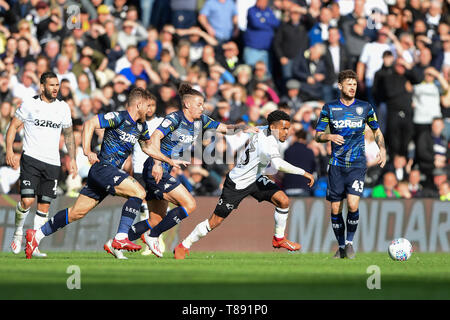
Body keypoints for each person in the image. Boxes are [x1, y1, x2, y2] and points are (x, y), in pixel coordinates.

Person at [24, 88, 187, 259]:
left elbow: (148, 147)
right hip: (104, 168)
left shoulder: (141, 125)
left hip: (108, 173)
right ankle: (120, 237)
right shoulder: (119, 117)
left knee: (76, 212)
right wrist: (87, 150)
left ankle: (36, 235)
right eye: (147, 105)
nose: (149, 110)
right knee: (139, 192)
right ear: (138, 104)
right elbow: (90, 124)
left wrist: (168, 160)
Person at [125, 83, 259, 258]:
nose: (202, 108)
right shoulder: (174, 118)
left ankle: (119, 240)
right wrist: (158, 164)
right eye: (199, 104)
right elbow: (155, 137)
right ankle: (153, 235)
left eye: (202, 104)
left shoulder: (201, 120)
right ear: (187, 104)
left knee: (155, 219)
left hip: (164, 169)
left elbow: (225, 129)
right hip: (155, 168)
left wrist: (243, 128)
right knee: (189, 204)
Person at [173, 110, 315, 259]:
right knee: (215, 221)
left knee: (283, 200)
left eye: (288, 128)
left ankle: (279, 239)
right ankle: (184, 245)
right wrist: (304, 173)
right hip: (237, 183)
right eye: (283, 128)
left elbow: (251, 130)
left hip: (255, 179)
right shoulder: (267, 142)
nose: (287, 132)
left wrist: (245, 127)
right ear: (273, 127)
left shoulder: (262, 129)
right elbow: (278, 164)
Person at [314, 69, 387, 259]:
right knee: (335, 209)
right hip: (337, 165)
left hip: (357, 164)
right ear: (340, 86)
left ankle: (350, 243)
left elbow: (377, 131)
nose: (353, 87)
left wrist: (383, 149)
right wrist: (329, 136)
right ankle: (340, 247)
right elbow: (317, 135)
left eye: (355, 84)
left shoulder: (365, 107)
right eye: (349, 84)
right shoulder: (329, 108)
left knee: (353, 204)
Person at [6, 72, 77, 258]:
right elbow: (13, 126)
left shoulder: (63, 108)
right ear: (42, 86)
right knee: (27, 201)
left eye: (57, 85)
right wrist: (9, 151)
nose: (55, 88)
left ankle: (34, 245)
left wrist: (73, 159)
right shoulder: (30, 104)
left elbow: (69, 134)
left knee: (44, 207)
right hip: (31, 159)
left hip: (52, 163)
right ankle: (18, 232)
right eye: (51, 85)